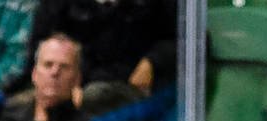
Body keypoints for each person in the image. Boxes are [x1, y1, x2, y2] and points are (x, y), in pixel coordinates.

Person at [28, 0, 172, 113]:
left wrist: (152, 61)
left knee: (92, 96)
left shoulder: (148, 6)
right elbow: (41, 46)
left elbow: (177, 37)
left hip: (129, 85)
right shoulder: (58, 6)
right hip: (74, 81)